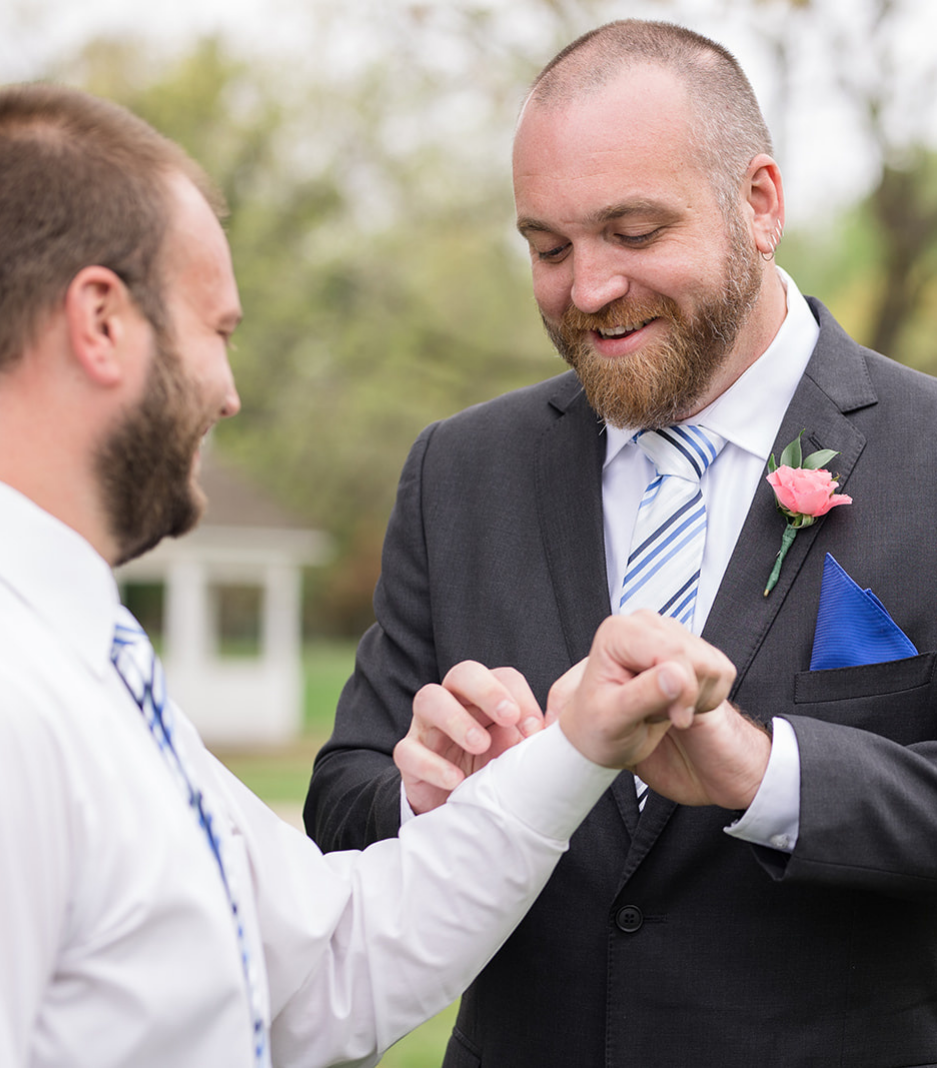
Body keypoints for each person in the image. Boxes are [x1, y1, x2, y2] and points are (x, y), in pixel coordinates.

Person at [305, 19, 937, 1068]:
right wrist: (431, 792)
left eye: (633, 234)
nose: (586, 289)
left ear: (759, 204)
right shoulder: (461, 472)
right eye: (548, 247)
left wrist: (773, 777)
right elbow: (344, 806)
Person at [0, 82, 738, 1068]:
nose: (229, 392)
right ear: (100, 322)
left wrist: (573, 745)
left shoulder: (84, 659)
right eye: (217, 331)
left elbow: (329, 965)